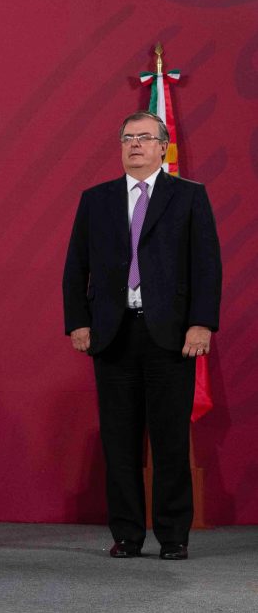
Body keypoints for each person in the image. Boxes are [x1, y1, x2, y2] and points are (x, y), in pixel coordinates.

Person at [63, 111, 221, 561]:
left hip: (171, 335)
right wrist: (78, 321)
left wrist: (201, 322)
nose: (135, 145)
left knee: (170, 439)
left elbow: (207, 265)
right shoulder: (96, 200)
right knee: (119, 441)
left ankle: (173, 536)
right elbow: (76, 266)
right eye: (128, 138)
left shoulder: (188, 197)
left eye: (144, 138)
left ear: (162, 146)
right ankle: (127, 535)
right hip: (112, 335)